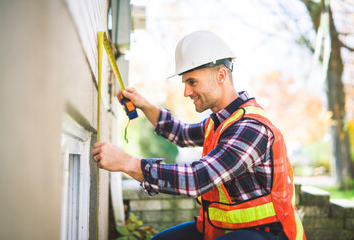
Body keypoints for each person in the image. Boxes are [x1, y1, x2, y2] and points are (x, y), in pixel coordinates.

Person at [92, 30, 306, 240]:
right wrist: (144, 105)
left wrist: (128, 163)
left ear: (221, 75)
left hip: (269, 234)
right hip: (228, 228)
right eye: (185, 83)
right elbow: (181, 133)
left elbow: (197, 179)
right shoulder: (221, 122)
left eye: (192, 82)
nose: (186, 92)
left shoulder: (250, 128)